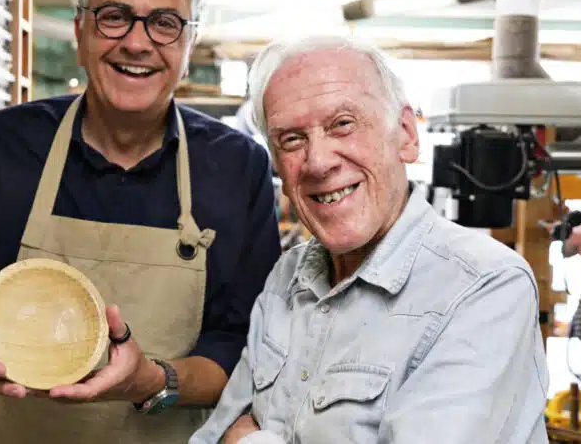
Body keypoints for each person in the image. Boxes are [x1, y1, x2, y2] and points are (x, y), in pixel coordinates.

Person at [0, 0, 281, 444]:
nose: (137, 43)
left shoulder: (236, 166)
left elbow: (249, 352)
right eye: (114, 16)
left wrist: (153, 381)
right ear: (80, 32)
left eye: (165, 23)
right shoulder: (3, 146)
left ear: (188, 45)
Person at [190, 35, 549, 444]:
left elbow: (233, 436)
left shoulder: (484, 287)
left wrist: (252, 439)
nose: (319, 162)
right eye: (291, 139)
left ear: (407, 135)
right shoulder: (288, 276)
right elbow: (213, 435)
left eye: (343, 124)